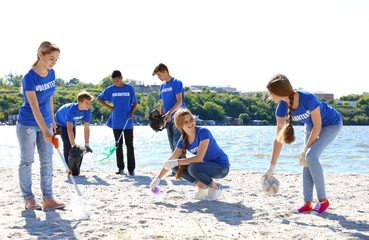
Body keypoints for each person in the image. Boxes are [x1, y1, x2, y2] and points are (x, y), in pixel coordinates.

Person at [262, 74, 342, 214]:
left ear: (279, 91)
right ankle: (307, 203)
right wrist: (271, 168)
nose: (269, 95)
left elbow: (318, 126)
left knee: (310, 156)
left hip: (331, 123)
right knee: (305, 161)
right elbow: (279, 138)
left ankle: (323, 201)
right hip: (311, 125)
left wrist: (305, 149)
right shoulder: (281, 108)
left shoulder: (308, 98)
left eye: (271, 92)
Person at [16, 41, 65, 210]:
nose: (53, 62)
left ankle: (48, 198)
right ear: (40, 55)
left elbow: (50, 98)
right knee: (27, 162)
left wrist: (51, 123)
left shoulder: (51, 74)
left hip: (46, 123)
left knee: (47, 161)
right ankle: (29, 199)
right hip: (28, 124)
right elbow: (34, 107)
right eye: (51, 58)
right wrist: (45, 130)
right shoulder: (29, 78)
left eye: (56, 59)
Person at [149, 109, 230, 201]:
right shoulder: (183, 139)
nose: (190, 123)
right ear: (180, 126)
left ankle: (216, 188)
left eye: (191, 120)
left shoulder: (203, 132)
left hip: (222, 168)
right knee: (175, 167)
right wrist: (158, 178)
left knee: (193, 167)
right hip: (207, 167)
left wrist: (176, 161)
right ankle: (202, 186)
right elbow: (171, 160)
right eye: (185, 122)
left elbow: (199, 158)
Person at [97, 70, 137, 176]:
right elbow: (99, 98)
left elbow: (135, 102)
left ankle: (131, 169)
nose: (116, 83)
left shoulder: (129, 88)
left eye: (118, 81)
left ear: (122, 78)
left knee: (130, 145)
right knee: (118, 144)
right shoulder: (110, 89)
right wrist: (109, 107)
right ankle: (120, 168)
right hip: (116, 121)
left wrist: (132, 113)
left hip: (128, 121)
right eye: (114, 81)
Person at [152, 63, 186, 176]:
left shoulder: (176, 83)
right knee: (172, 144)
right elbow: (163, 103)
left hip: (178, 117)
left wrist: (170, 113)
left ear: (165, 71)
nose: (159, 78)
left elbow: (179, 101)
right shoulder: (163, 86)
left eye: (159, 75)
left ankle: (181, 170)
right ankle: (175, 169)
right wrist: (161, 116)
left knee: (178, 144)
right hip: (167, 119)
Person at [54, 91, 94, 175]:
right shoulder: (71, 109)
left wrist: (87, 144)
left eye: (89, 103)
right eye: (86, 103)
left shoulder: (87, 111)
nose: (88, 105)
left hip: (72, 123)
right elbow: (69, 129)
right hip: (58, 122)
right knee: (68, 144)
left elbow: (86, 128)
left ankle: (71, 168)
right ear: (80, 102)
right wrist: (73, 145)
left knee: (72, 145)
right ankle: (67, 167)